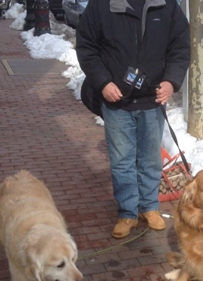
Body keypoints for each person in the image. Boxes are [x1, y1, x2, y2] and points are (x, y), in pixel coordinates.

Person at [76, 0, 190, 239]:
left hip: (152, 100)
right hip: (116, 100)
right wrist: (103, 82)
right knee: (122, 161)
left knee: (150, 160)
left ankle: (149, 207)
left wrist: (171, 80)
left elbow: (180, 48)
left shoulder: (167, 5)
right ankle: (127, 212)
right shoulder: (101, 5)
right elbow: (86, 47)